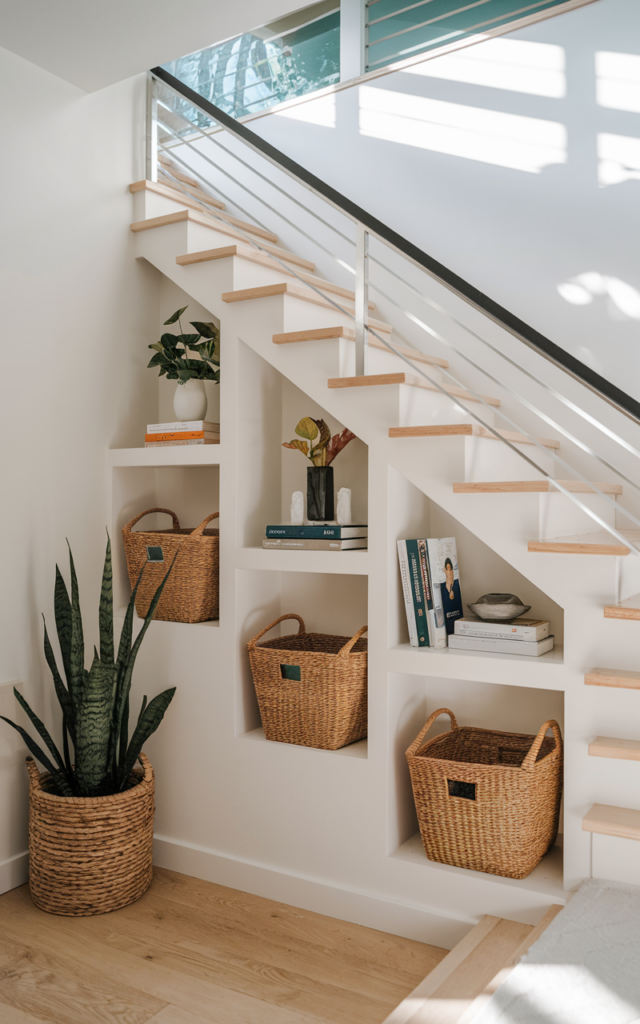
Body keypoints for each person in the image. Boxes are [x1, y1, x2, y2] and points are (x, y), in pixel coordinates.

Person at [440, 556, 462, 633]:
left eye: (451, 569)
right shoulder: (441, 587)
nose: (449, 572)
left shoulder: (457, 585)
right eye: (447, 569)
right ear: (444, 570)